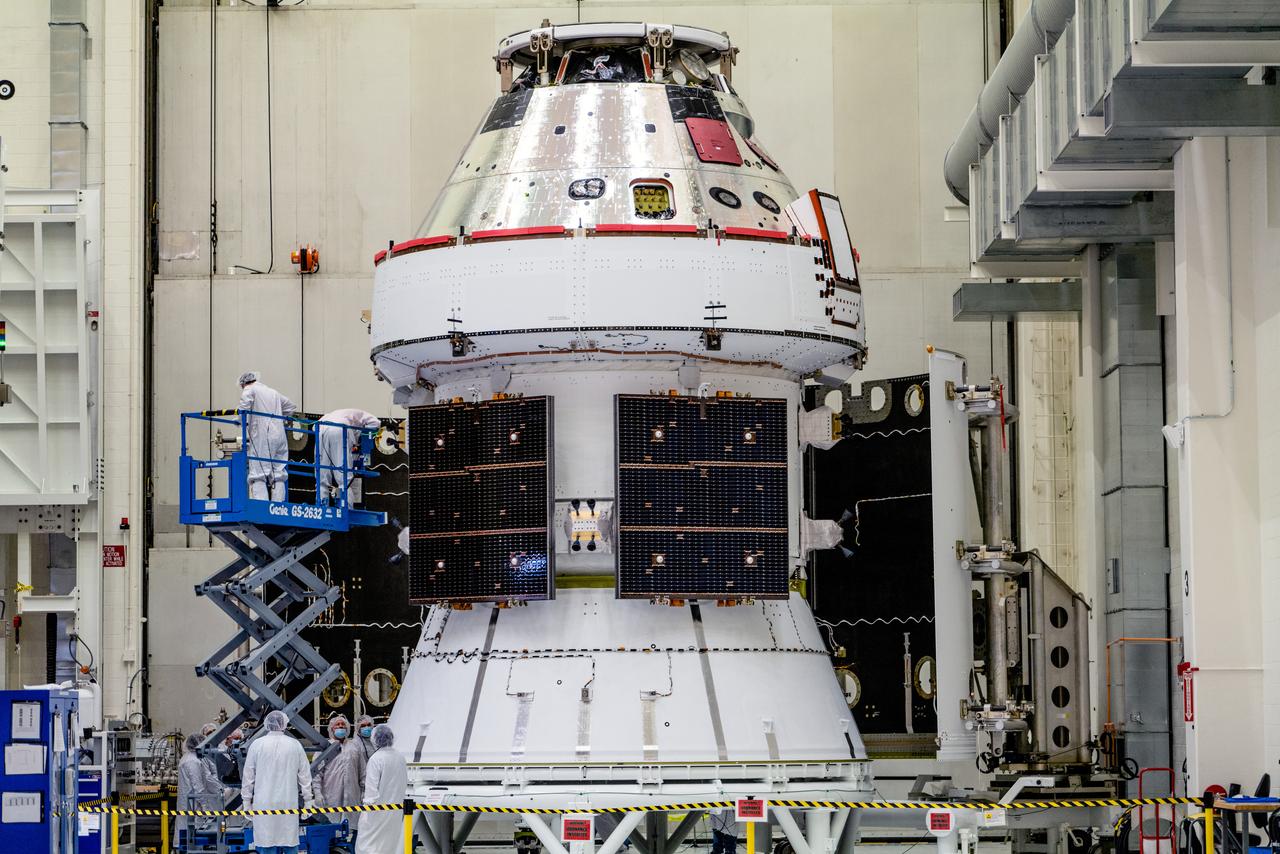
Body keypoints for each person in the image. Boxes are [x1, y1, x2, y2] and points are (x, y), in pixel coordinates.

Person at [242, 709, 314, 854]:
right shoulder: (295, 745)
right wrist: (308, 802)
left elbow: (248, 777)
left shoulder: (257, 745)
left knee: (266, 844)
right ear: (285, 724)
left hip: (264, 804)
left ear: (267, 724)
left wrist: (246, 802)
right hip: (288, 803)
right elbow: (305, 776)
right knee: (289, 843)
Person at [238, 371, 296, 502]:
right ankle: (278, 506)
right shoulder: (273, 392)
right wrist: (280, 417)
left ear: (243, 384)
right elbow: (291, 407)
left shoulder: (249, 389)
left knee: (258, 473)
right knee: (278, 472)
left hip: (263, 436)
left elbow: (243, 408)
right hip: (280, 435)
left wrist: (239, 421)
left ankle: (261, 507)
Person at [356, 724, 408, 854]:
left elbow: (371, 790)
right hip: (395, 811)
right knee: (390, 845)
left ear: (375, 739)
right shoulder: (400, 757)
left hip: (377, 813)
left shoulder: (376, 759)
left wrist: (366, 813)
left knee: (369, 845)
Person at [313, 713, 367, 832]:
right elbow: (317, 774)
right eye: (338, 725)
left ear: (347, 728)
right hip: (330, 796)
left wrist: (364, 791)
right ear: (332, 728)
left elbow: (362, 771)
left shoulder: (354, 747)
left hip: (353, 796)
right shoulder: (325, 748)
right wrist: (317, 793)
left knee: (351, 829)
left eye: (343, 724)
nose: (341, 726)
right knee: (331, 828)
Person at [316, 409, 381, 506]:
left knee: (322, 477)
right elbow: (376, 423)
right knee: (344, 479)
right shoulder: (362, 415)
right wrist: (364, 435)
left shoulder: (332, 414)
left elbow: (314, 427)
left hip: (320, 430)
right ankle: (346, 508)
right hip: (340, 430)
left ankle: (321, 507)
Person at [176, 732, 226, 841]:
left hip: (190, 802)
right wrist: (205, 807)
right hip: (192, 803)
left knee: (188, 832)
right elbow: (198, 787)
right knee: (192, 835)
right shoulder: (192, 761)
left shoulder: (189, 758)